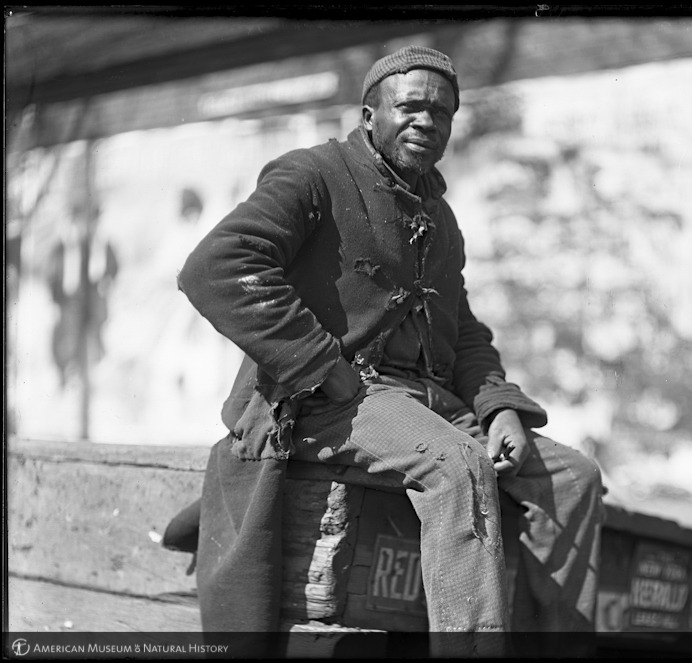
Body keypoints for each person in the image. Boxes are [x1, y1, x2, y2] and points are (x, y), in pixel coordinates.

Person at [174, 45, 605, 656]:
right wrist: (322, 366)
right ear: (370, 113)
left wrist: (498, 408)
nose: (427, 122)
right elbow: (215, 268)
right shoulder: (312, 175)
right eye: (410, 106)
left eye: (443, 113)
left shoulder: (441, 216)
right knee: (459, 464)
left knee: (575, 478)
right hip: (326, 399)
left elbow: (464, 332)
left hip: (427, 401)